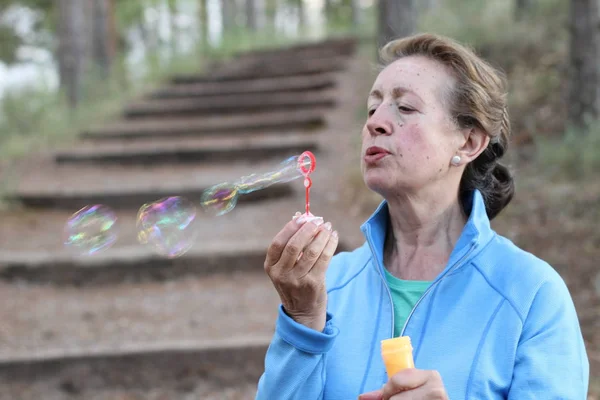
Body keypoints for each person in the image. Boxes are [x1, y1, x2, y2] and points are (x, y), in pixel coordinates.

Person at [255, 33, 589, 400]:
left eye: (406, 108)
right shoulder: (327, 287)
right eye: (372, 108)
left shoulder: (531, 294)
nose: (375, 124)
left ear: (468, 143)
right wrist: (302, 321)